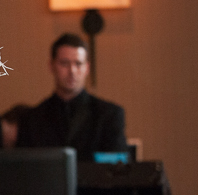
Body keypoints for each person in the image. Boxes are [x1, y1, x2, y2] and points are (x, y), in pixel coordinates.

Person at [16, 33, 127, 161]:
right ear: (51, 66)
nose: (72, 71)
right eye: (64, 63)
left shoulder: (110, 115)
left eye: (78, 64)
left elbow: (117, 170)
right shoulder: (31, 119)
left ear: (87, 68)